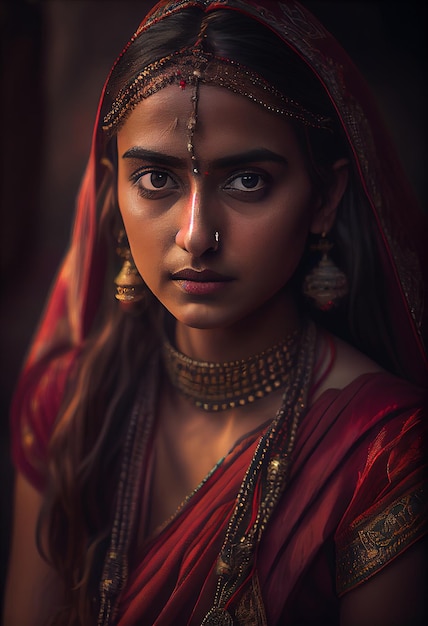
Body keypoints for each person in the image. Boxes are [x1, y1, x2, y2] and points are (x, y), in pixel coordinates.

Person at [3, 0, 427, 624]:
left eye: (247, 181)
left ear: (325, 197)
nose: (196, 236)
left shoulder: (383, 455)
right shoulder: (66, 406)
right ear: (111, 188)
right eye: (155, 180)